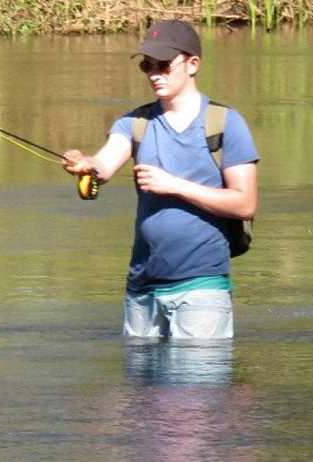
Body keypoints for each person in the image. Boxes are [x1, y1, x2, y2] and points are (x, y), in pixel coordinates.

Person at [62, 20, 259, 339]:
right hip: (141, 289)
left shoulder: (225, 123)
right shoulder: (134, 123)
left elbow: (245, 203)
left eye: (164, 65)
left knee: (196, 389)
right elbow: (102, 166)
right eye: (146, 65)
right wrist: (85, 165)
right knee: (141, 391)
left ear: (193, 64)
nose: (154, 73)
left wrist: (174, 185)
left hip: (202, 288)